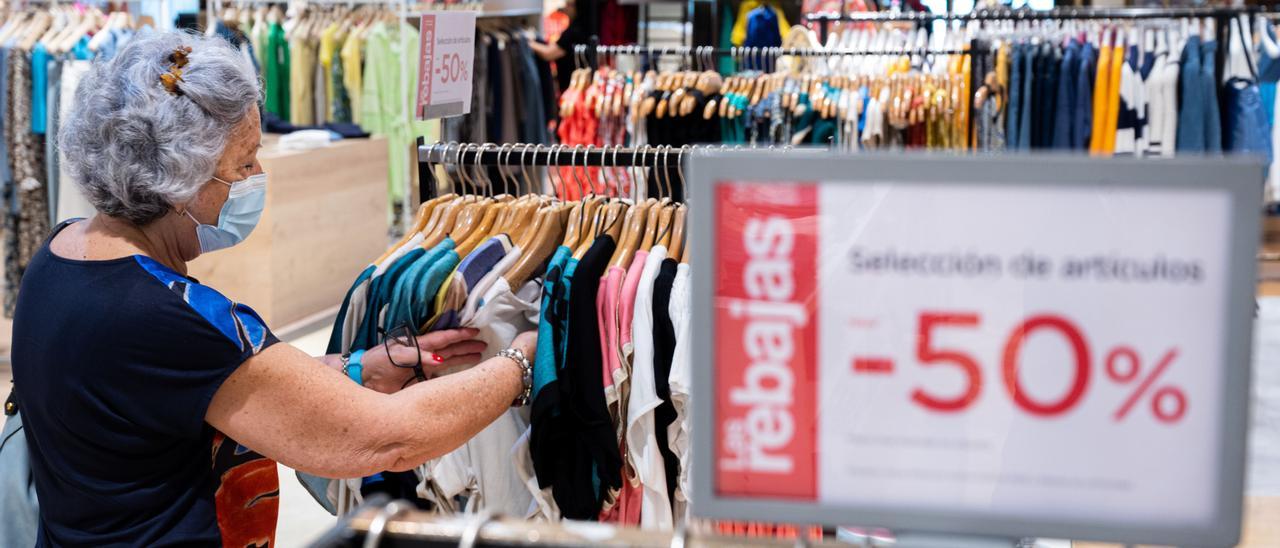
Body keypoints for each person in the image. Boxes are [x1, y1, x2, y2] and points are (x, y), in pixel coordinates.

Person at [3, 31, 536, 546]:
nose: (258, 175)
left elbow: (196, 392)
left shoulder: (61, 254)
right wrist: (521, 359)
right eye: (244, 163)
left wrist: (355, 369)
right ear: (178, 176)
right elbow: (389, 438)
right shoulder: (163, 316)